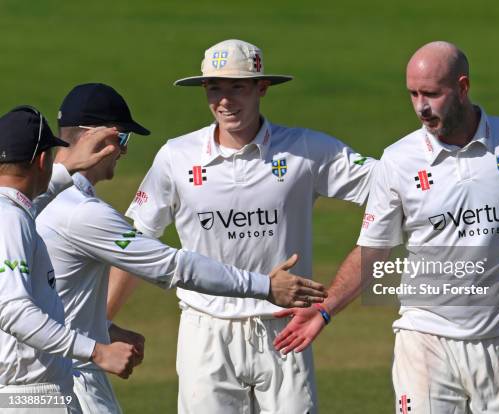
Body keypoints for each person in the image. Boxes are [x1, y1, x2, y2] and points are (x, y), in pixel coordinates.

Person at [274, 41, 499, 414]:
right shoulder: (398, 160)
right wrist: (326, 308)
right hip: (426, 344)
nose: (420, 106)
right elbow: (373, 249)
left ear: (462, 87)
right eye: (413, 93)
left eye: (431, 93)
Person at [106, 39, 375, 414]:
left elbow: (392, 191)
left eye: (237, 87)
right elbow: (135, 246)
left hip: (284, 328)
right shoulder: (176, 157)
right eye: (215, 87)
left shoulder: (305, 150)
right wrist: (99, 325)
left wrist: (333, 300)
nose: (225, 100)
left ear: (261, 87)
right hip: (206, 329)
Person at [35, 83, 328, 414]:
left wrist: (101, 329)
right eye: (124, 141)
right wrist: (265, 286)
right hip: (68, 381)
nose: (124, 153)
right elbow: (172, 266)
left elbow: (41, 300)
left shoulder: (27, 202)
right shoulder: (82, 212)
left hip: (34, 378)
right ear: (106, 140)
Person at [0, 105, 139, 414]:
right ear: (42, 160)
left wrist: (69, 168)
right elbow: (13, 311)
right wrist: (97, 351)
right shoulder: (11, 220)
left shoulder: (10, 211)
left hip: (22, 396)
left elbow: (30, 204)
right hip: (33, 399)